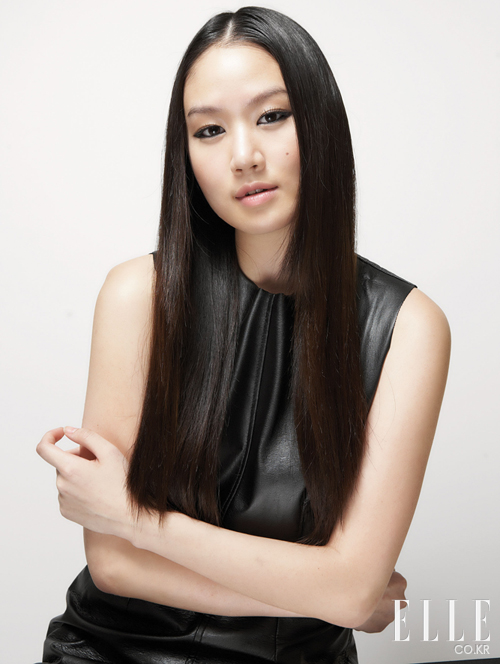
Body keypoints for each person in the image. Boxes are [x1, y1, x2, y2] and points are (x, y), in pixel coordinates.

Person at [36, 6, 451, 663]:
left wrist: (138, 519)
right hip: (119, 650)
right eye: (209, 130)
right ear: (186, 155)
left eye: (272, 116)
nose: (244, 156)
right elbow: (114, 565)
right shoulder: (137, 296)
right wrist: (331, 593)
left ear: (320, 122)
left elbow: (350, 590)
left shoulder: (407, 327)